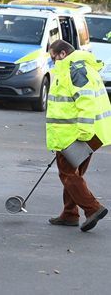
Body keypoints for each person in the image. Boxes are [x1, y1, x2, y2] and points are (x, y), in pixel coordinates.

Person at [46, 39, 111, 231]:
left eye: (53, 57)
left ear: (63, 54)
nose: (53, 62)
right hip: (91, 131)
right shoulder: (79, 67)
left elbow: (86, 102)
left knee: (67, 173)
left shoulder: (74, 70)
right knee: (75, 174)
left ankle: (93, 209)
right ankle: (69, 214)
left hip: (80, 132)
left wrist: (83, 133)